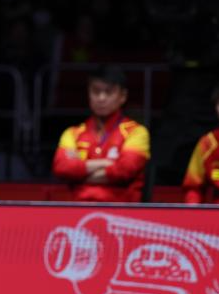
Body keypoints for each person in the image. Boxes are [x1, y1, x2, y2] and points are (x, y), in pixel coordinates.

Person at [53, 65, 150, 202]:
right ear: (88, 94)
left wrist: (79, 174)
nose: (101, 98)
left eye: (109, 92)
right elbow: (62, 168)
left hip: (122, 211)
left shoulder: (136, 132)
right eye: (95, 91)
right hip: (79, 211)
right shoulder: (72, 133)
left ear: (122, 96)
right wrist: (105, 163)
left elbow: (124, 170)